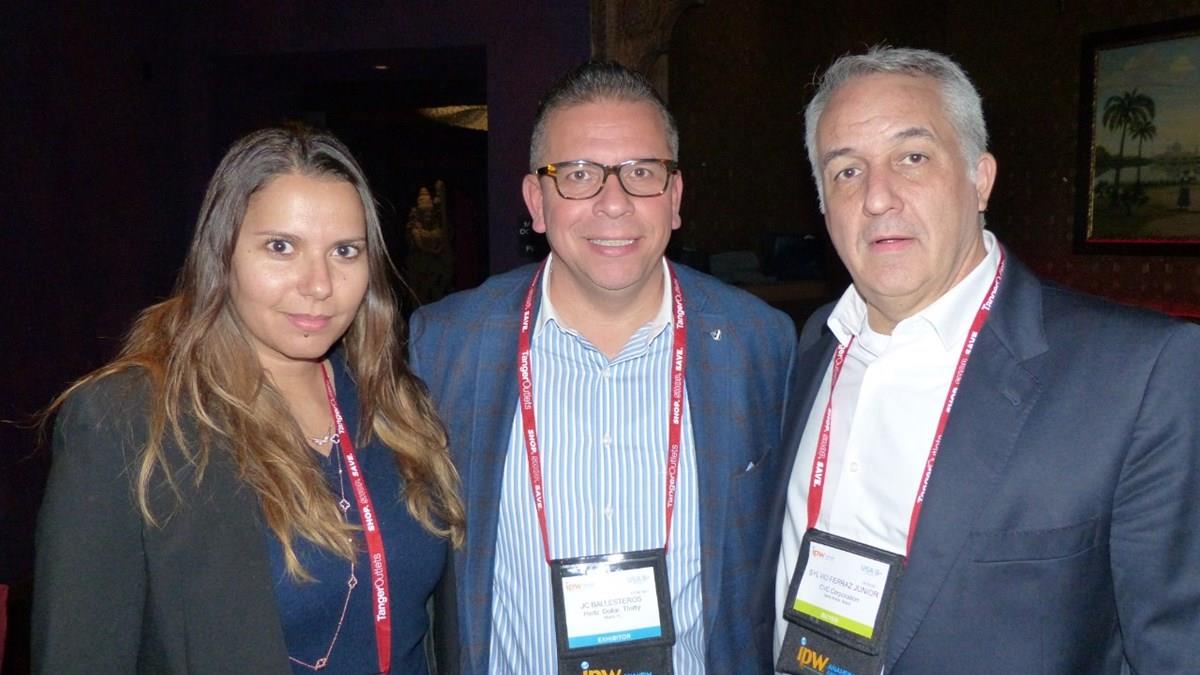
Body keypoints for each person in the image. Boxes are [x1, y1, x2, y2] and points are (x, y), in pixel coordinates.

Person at [761, 46, 1200, 674]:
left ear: (980, 178)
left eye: (912, 157)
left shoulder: (1138, 375)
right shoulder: (814, 342)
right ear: (824, 203)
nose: (878, 198)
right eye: (847, 171)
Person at [409, 61, 797, 674]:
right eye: (579, 175)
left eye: (641, 172)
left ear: (674, 198)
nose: (613, 204)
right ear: (536, 202)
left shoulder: (759, 343)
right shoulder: (446, 345)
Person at [33, 126, 464, 674]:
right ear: (221, 255)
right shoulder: (129, 421)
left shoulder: (397, 407)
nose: (319, 284)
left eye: (345, 251)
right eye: (281, 247)